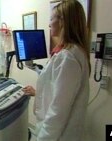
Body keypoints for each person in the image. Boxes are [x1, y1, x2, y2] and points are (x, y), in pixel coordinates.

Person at [22, 1, 90, 141]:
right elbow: (58, 87)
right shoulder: (74, 51)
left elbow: (58, 112)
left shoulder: (67, 58)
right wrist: (38, 92)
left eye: (51, 18)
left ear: (62, 21)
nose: (49, 24)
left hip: (58, 135)